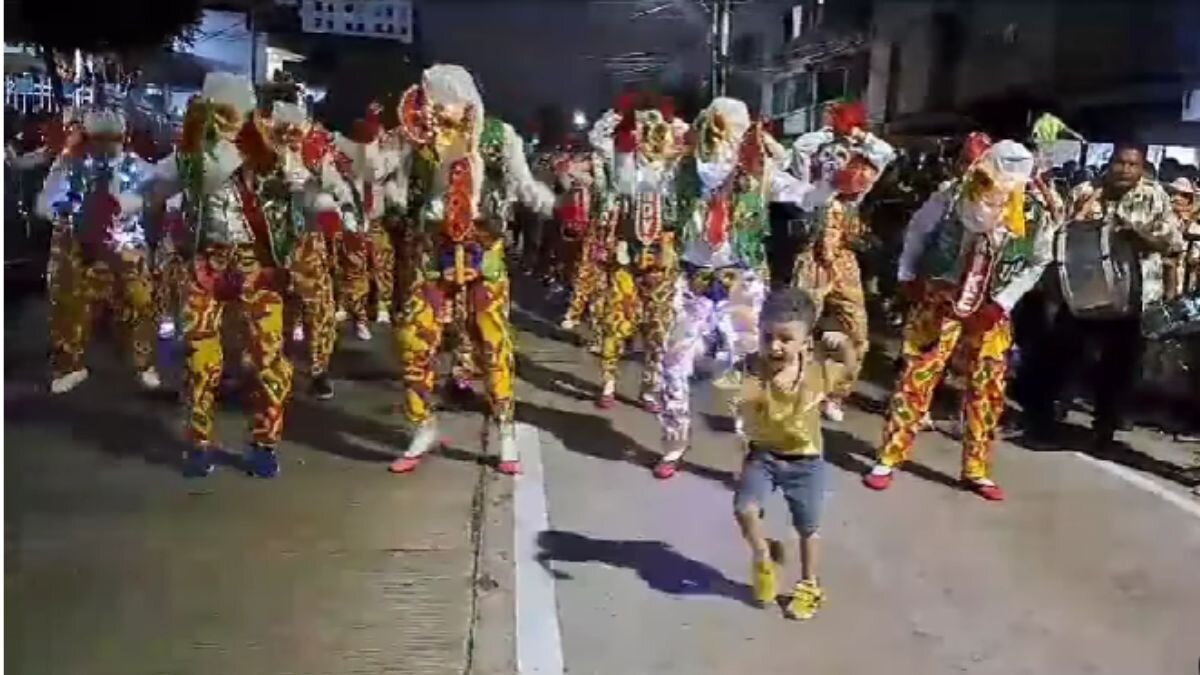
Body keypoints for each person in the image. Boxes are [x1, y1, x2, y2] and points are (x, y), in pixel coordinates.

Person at [389, 64, 554, 476]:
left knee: (492, 343)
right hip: (435, 249)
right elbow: (402, 187)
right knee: (413, 338)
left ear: (461, 100)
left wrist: (556, 205)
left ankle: (506, 431)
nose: (430, 108)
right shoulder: (421, 142)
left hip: (485, 252)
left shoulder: (499, 136)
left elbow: (524, 186)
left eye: (436, 99)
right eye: (427, 100)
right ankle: (423, 424)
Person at [866, 140, 1046, 500]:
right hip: (940, 300)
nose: (1004, 180)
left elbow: (1037, 261)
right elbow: (918, 232)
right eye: (1000, 168)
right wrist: (907, 276)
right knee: (917, 378)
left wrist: (1002, 302)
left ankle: (976, 469)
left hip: (990, 311)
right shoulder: (952, 197)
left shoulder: (1033, 210)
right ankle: (889, 457)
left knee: (987, 389)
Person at [149, 72, 306, 479]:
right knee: (200, 358)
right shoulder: (189, 157)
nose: (230, 119)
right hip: (206, 265)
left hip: (257, 267)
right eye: (221, 110)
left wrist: (308, 190)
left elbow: (301, 185)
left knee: (269, 360)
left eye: (237, 110)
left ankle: (265, 442)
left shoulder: (268, 153)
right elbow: (156, 185)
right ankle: (199, 442)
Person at [653, 96, 795, 479]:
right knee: (672, 365)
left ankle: (752, 453)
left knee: (750, 371)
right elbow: (635, 179)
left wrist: (835, 182)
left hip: (740, 284)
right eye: (719, 127)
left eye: (733, 130)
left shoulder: (757, 172)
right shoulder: (684, 169)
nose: (725, 137)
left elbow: (803, 194)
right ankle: (674, 442)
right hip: (693, 282)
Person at [1021, 143, 1182, 451]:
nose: (1125, 169)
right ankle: (1040, 420)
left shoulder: (1153, 197)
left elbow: (1172, 243)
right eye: (1120, 162)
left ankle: (1104, 431)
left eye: (1132, 165)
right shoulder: (1085, 191)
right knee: (1056, 357)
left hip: (1128, 301)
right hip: (1081, 296)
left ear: (1142, 168)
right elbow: (1059, 236)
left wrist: (1138, 236)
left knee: (1117, 369)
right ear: (1110, 163)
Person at [730, 287, 856, 620]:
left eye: (786, 339)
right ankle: (763, 556)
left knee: (808, 529)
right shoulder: (751, 366)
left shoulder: (817, 372)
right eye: (767, 335)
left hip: (806, 461)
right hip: (763, 455)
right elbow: (733, 393)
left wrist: (843, 345)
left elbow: (850, 370)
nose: (774, 345)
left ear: (806, 342)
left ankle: (809, 584)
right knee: (744, 509)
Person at [37, 108, 160, 395]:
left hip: (125, 245)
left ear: (123, 138)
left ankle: (143, 364)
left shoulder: (137, 167)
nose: (106, 147)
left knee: (140, 303)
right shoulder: (70, 164)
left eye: (112, 139)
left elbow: (160, 193)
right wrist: (67, 211)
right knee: (68, 305)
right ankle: (69, 365)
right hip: (80, 246)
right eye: (99, 139)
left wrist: (127, 205)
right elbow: (44, 203)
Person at [789, 101, 896, 422]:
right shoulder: (812, 158)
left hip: (843, 259)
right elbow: (799, 148)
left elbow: (885, 153)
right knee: (797, 328)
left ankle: (835, 394)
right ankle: (793, 391)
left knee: (858, 332)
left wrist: (857, 136)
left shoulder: (863, 162)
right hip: (811, 255)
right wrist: (828, 135)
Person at [581, 93, 690, 410]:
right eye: (642, 130)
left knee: (658, 326)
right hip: (626, 252)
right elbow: (597, 137)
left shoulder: (674, 168)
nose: (649, 137)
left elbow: (695, 144)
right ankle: (609, 383)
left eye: (655, 130)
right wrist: (619, 115)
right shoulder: (623, 162)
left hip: (662, 254)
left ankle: (650, 387)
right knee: (617, 318)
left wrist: (672, 125)